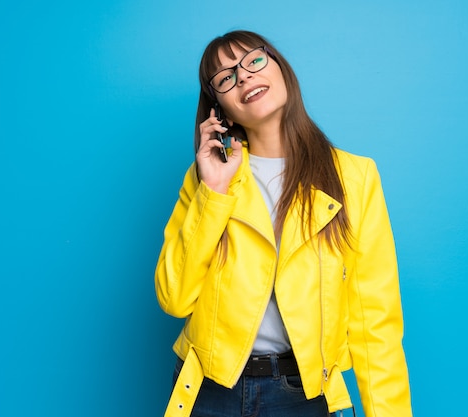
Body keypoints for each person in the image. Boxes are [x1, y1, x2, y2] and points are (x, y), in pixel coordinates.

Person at [154, 30, 412, 417]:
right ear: (218, 108)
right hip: (210, 391)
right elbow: (175, 299)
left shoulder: (354, 178)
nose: (243, 77)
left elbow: (376, 324)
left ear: (280, 67)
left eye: (253, 61)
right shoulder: (208, 179)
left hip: (301, 395)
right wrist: (214, 191)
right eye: (225, 78)